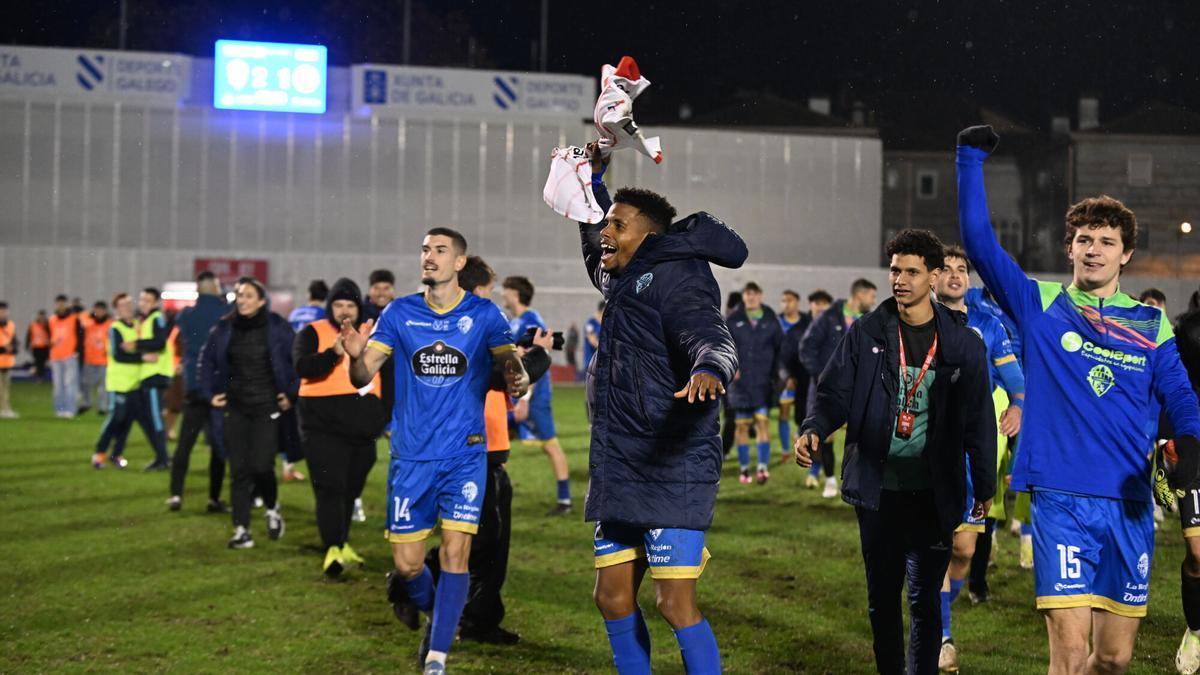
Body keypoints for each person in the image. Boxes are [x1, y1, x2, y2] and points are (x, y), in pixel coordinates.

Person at [957, 124, 1200, 674]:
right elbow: (979, 244)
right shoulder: (1039, 304)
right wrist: (968, 159)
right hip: (1060, 497)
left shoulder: (1152, 323)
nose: (1094, 250)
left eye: (1106, 242)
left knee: (1113, 660)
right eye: (1084, 239)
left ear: (1126, 253)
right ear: (1069, 247)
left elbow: (1180, 393)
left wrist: (1190, 441)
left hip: (1129, 501)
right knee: (1068, 655)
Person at [796, 228, 996, 675]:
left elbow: (978, 419)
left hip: (932, 492)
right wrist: (814, 427)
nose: (900, 280)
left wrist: (984, 483)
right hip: (878, 490)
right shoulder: (867, 330)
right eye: (894, 271)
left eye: (911, 272)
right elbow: (833, 393)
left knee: (925, 602)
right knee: (882, 601)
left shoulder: (963, 343)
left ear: (933, 276)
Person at [582, 143, 743, 675]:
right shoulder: (623, 274)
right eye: (607, 222)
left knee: (674, 604)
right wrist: (595, 178)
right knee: (611, 597)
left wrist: (710, 368)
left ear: (648, 236)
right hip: (622, 460)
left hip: (673, 464)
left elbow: (710, 333)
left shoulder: (678, 274)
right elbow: (592, 240)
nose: (605, 233)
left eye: (618, 225)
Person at [341, 227, 528, 675]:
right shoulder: (400, 313)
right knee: (408, 566)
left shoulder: (483, 314)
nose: (429, 256)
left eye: (440, 250)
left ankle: (437, 658)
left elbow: (509, 361)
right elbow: (362, 375)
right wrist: (354, 357)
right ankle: (436, 613)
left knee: (455, 555)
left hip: (464, 455)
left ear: (459, 262)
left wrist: (517, 375)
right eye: (425, 249)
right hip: (411, 456)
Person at [421, 254, 554, 645]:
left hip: (485, 449)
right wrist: (541, 354)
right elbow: (508, 377)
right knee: (481, 541)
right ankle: (413, 577)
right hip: (471, 454)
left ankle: (480, 618)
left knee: (488, 543)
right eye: (487, 293)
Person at [934, 245, 1027, 671]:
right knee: (936, 545)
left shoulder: (988, 325)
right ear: (933, 277)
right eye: (946, 269)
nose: (955, 275)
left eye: (961, 269)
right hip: (927, 449)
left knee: (965, 550)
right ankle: (941, 635)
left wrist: (1017, 405)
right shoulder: (915, 321)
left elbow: (1016, 379)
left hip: (973, 450)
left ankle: (933, 611)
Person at [293, 278, 388, 576]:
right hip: (321, 426)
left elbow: (388, 376)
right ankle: (332, 547)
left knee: (351, 487)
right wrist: (333, 353)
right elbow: (301, 368)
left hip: (362, 428)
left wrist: (383, 416)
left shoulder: (373, 334)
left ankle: (342, 541)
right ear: (329, 306)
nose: (344, 310)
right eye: (338, 304)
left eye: (350, 305)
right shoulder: (313, 332)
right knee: (330, 487)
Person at [199, 277, 298, 549]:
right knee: (239, 470)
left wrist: (291, 393)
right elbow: (206, 361)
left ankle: (272, 508)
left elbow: (297, 360)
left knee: (261, 466)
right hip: (236, 407)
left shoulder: (277, 326)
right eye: (239, 295)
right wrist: (208, 394)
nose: (242, 300)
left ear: (261, 301)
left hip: (267, 406)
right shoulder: (224, 327)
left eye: (248, 296)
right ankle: (241, 530)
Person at [799, 278, 878, 496]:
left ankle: (858, 482)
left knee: (863, 437)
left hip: (860, 392)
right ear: (860, 294)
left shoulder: (870, 321)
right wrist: (821, 375)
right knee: (825, 435)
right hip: (831, 391)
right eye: (871, 296)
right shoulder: (828, 316)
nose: (873, 301)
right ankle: (830, 480)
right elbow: (806, 347)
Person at [502, 275, 572, 515]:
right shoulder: (516, 321)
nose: (502, 294)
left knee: (549, 444)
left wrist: (524, 400)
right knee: (499, 441)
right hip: (515, 394)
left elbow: (534, 363)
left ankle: (565, 500)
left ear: (514, 293)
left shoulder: (531, 321)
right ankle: (495, 493)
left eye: (505, 290)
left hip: (534, 396)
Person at [167, 271, 229, 513]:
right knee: (218, 446)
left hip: (193, 385)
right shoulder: (225, 312)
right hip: (218, 387)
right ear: (213, 287)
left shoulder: (186, 315)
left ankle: (175, 495)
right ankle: (214, 498)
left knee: (185, 443)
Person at [726, 281, 784, 484]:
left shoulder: (770, 319)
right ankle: (744, 469)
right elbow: (724, 345)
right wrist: (732, 366)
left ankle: (762, 467)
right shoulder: (733, 319)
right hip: (740, 384)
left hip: (762, 382)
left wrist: (779, 374)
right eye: (747, 294)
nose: (751, 297)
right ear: (743, 297)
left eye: (754, 293)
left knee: (762, 423)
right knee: (741, 426)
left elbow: (780, 347)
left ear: (761, 295)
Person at [1171, 297, 1200, 674]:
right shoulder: (1190, 332)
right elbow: (1171, 389)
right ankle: (1195, 630)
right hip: (1197, 452)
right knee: (1197, 555)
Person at [93, 294, 150, 469]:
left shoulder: (139, 326)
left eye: (128, 304)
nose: (127, 308)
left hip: (136, 382)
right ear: (117, 309)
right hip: (119, 383)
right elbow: (118, 355)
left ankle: (116, 454)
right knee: (116, 419)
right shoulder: (115, 328)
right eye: (122, 305)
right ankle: (99, 453)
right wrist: (142, 357)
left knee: (127, 421)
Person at [777, 290, 832, 464]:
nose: (821, 307)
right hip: (803, 385)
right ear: (810, 305)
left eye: (824, 303)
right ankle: (811, 462)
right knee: (805, 422)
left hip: (828, 386)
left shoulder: (835, 328)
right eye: (817, 303)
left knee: (826, 428)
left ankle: (820, 470)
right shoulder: (798, 330)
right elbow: (784, 357)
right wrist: (787, 377)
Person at [125, 287, 172, 471]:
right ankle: (162, 456)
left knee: (155, 418)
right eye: (142, 299)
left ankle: (163, 459)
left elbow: (160, 342)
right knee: (150, 418)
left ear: (155, 303)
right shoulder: (145, 320)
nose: (143, 303)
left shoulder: (156, 318)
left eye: (147, 300)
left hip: (155, 375)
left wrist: (136, 344)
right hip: (149, 375)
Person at [775, 289, 804, 462]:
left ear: (797, 302)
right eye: (784, 301)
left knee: (805, 411)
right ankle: (786, 449)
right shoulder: (776, 322)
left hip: (804, 375)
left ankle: (799, 437)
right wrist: (785, 376)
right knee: (784, 411)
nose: (786, 304)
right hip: (784, 377)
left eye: (790, 300)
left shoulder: (806, 321)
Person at [48, 294, 83, 418]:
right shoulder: (52, 320)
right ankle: (59, 409)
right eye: (58, 303)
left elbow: (80, 335)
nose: (60, 306)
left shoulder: (74, 319)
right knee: (58, 385)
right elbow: (49, 336)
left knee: (70, 384)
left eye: (63, 303)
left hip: (69, 356)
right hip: (55, 356)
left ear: (66, 304)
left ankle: (70, 409)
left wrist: (77, 351)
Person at [79, 301, 112, 416]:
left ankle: (102, 407)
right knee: (86, 384)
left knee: (103, 386)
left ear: (105, 311)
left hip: (104, 360)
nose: (99, 312)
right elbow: (81, 316)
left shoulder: (110, 324)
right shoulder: (89, 322)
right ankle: (86, 403)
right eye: (97, 310)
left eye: (101, 310)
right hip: (89, 359)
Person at [0, 302, 18, 419]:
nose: (3, 313)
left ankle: (5, 409)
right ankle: (5, 409)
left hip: (7, 362)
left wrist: (13, 349)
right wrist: (3, 349)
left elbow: (15, 342)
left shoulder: (11, 325)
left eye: (4, 311)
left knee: (6, 388)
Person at [27, 310, 50, 381]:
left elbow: (51, 334)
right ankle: (39, 376)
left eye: (43, 316)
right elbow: (29, 335)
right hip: (36, 347)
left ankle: (41, 375)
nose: (42, 318)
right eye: (40, 316)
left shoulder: (48, 325)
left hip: (45, 347)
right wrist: (27, 344)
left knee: (43, 362)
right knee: (38, 362)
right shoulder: (33, 325)